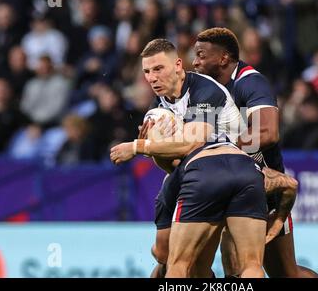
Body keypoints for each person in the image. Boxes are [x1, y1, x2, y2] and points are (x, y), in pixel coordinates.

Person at [110, 39, 267, 277]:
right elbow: (172, 164)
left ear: (178, 65)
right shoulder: (159, 106)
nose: (152, 78)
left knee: (188, 265)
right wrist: (155, 147)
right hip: (216, 173)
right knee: (172, 259)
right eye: (147, 72)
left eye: (158, 69)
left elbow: (194, 143)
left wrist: (139, 146)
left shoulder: (204, 89)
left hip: (240, 168)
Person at [192, 27, 318, 278]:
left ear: (223, 58)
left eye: (201, 55)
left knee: (285, 275)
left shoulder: (250, 82)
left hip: (263, 191)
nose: (194, 62)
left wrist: (223, 148)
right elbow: (195, 143)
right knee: (224, 271)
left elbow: (268, 133)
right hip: (221, 188)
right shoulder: (202, 92)